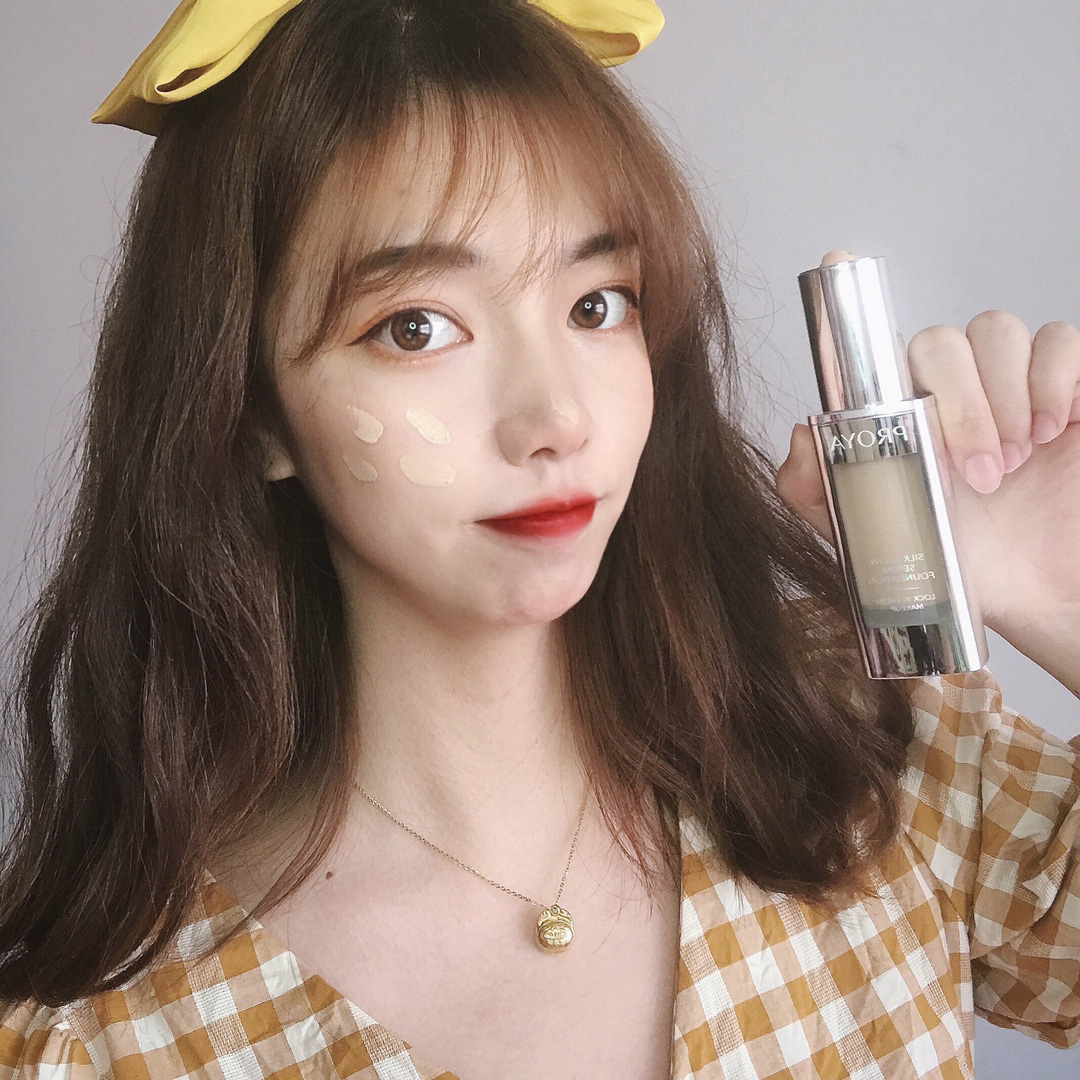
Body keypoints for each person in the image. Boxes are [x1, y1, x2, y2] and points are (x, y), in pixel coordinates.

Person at [1, 1, 1078, 1076]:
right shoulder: (93, 1041)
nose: (556, 417)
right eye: (417, 327)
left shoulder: (868, 748)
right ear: (252, 414)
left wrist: (1057, 598)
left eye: (598, 305)